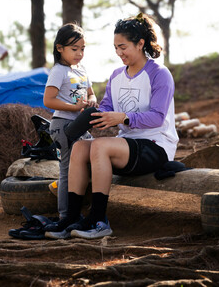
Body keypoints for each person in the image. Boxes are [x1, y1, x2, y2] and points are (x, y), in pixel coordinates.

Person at [44, 12, 179, 240]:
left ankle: (99, 220)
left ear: (140, 44)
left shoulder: (159, 74)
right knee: (78, 148)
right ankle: (72, 218)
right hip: (126, 146)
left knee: (100, 147)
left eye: (123, 47)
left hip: (156, 145)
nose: (119, 53)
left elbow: (157, 117)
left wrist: (123, 118)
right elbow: (106, 108)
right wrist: (90, 112)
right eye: (116, 47)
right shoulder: (116, 75)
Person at [43, 23, 98, 221]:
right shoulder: (59, 71)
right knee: (66, 171)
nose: (79, 53)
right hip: (63, 125)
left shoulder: (81, 70)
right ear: (60, 48)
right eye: (74, 49)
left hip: (81, 126)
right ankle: (65, 215)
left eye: (82, 49)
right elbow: (48, 100)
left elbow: (91, 93)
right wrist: (74, 107)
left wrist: (92, 100)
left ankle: (81, 207)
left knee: (93, 160)